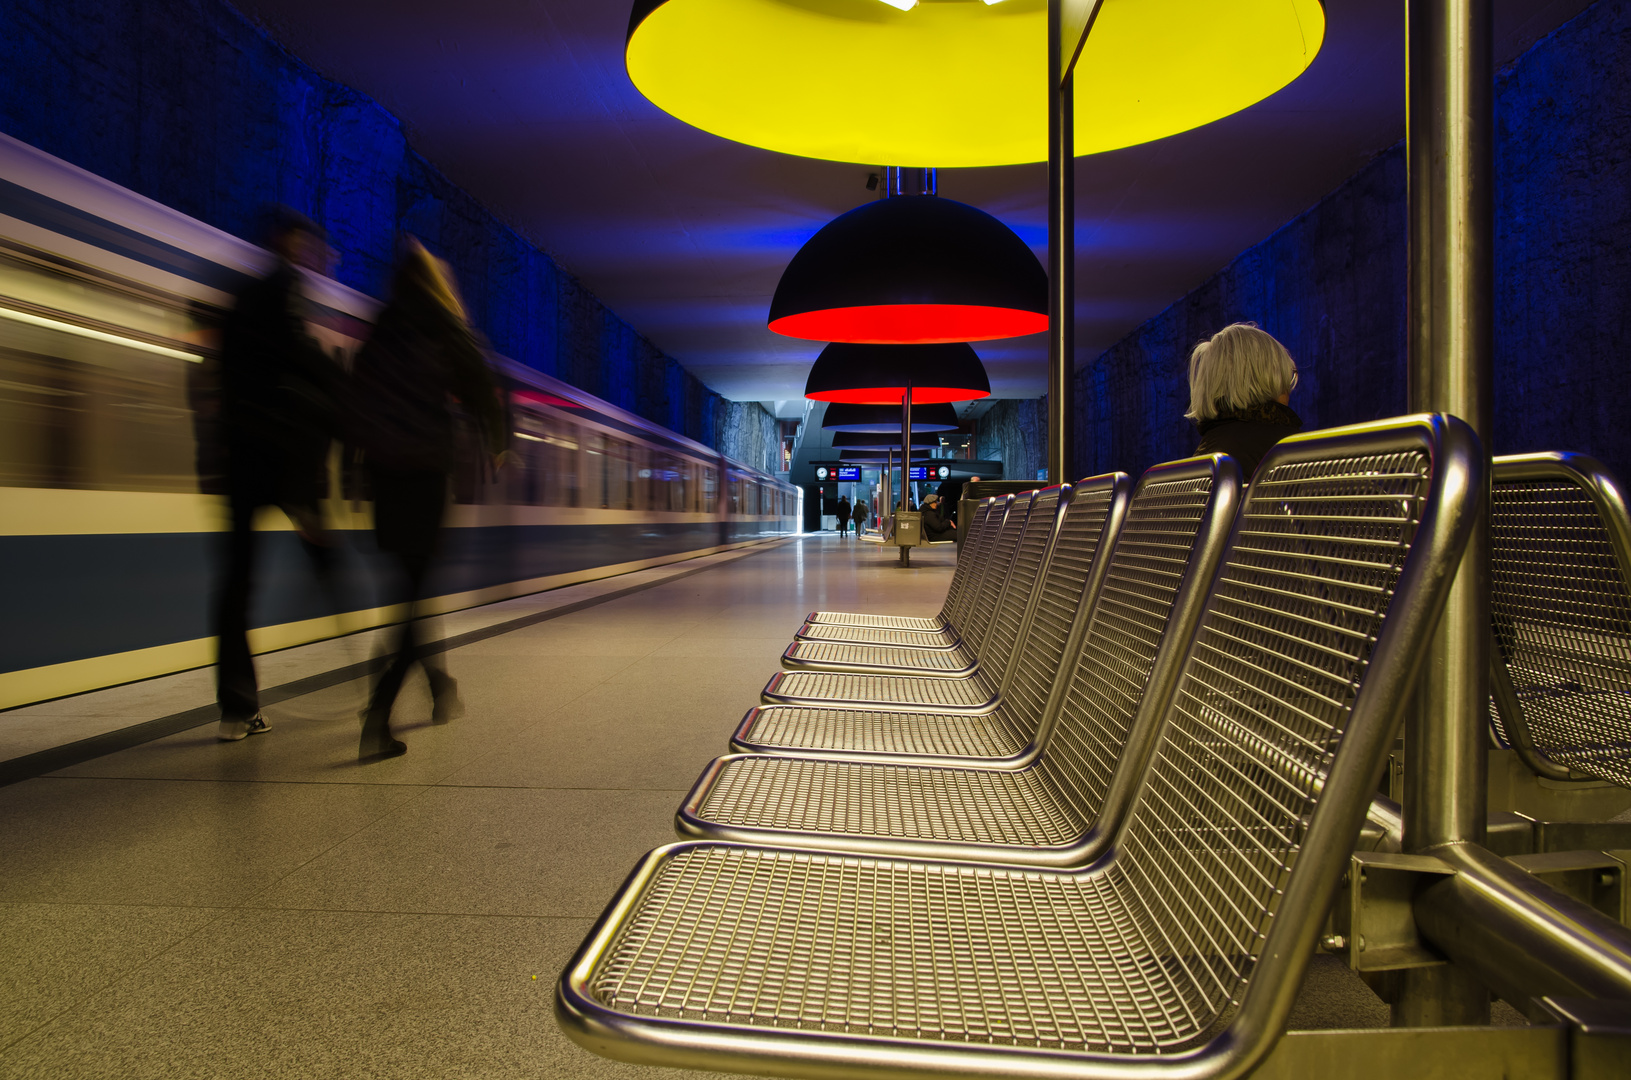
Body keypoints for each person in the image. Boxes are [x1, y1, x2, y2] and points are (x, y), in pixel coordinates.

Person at [349, 238, 509, 761]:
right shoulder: (444, 323)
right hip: (422, 478)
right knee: (410, 600)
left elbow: (355, 404)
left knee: (409, 592)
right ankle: (377, 718)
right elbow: (482, 387)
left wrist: (353, 472)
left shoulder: (382, 329)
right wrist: (497, 443)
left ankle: (441, 686)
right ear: (435, 283)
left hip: (385, 482)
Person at [214, 207, 342, 742]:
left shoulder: (239, 299)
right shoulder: (285, 288)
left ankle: (237, 709)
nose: (314, 258)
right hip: (283, 466)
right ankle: (365, 682)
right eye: (309, 246)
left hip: (238, 464)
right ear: (289, 242)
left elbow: (224, 382)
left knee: (234, 590)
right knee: (329, 564)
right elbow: (300, 365)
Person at [1186, 322, 1302, 480]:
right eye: (1288, 375)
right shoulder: (1292, 450)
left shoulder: (1206, 452)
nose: (1289, 389)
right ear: (1271, 378)